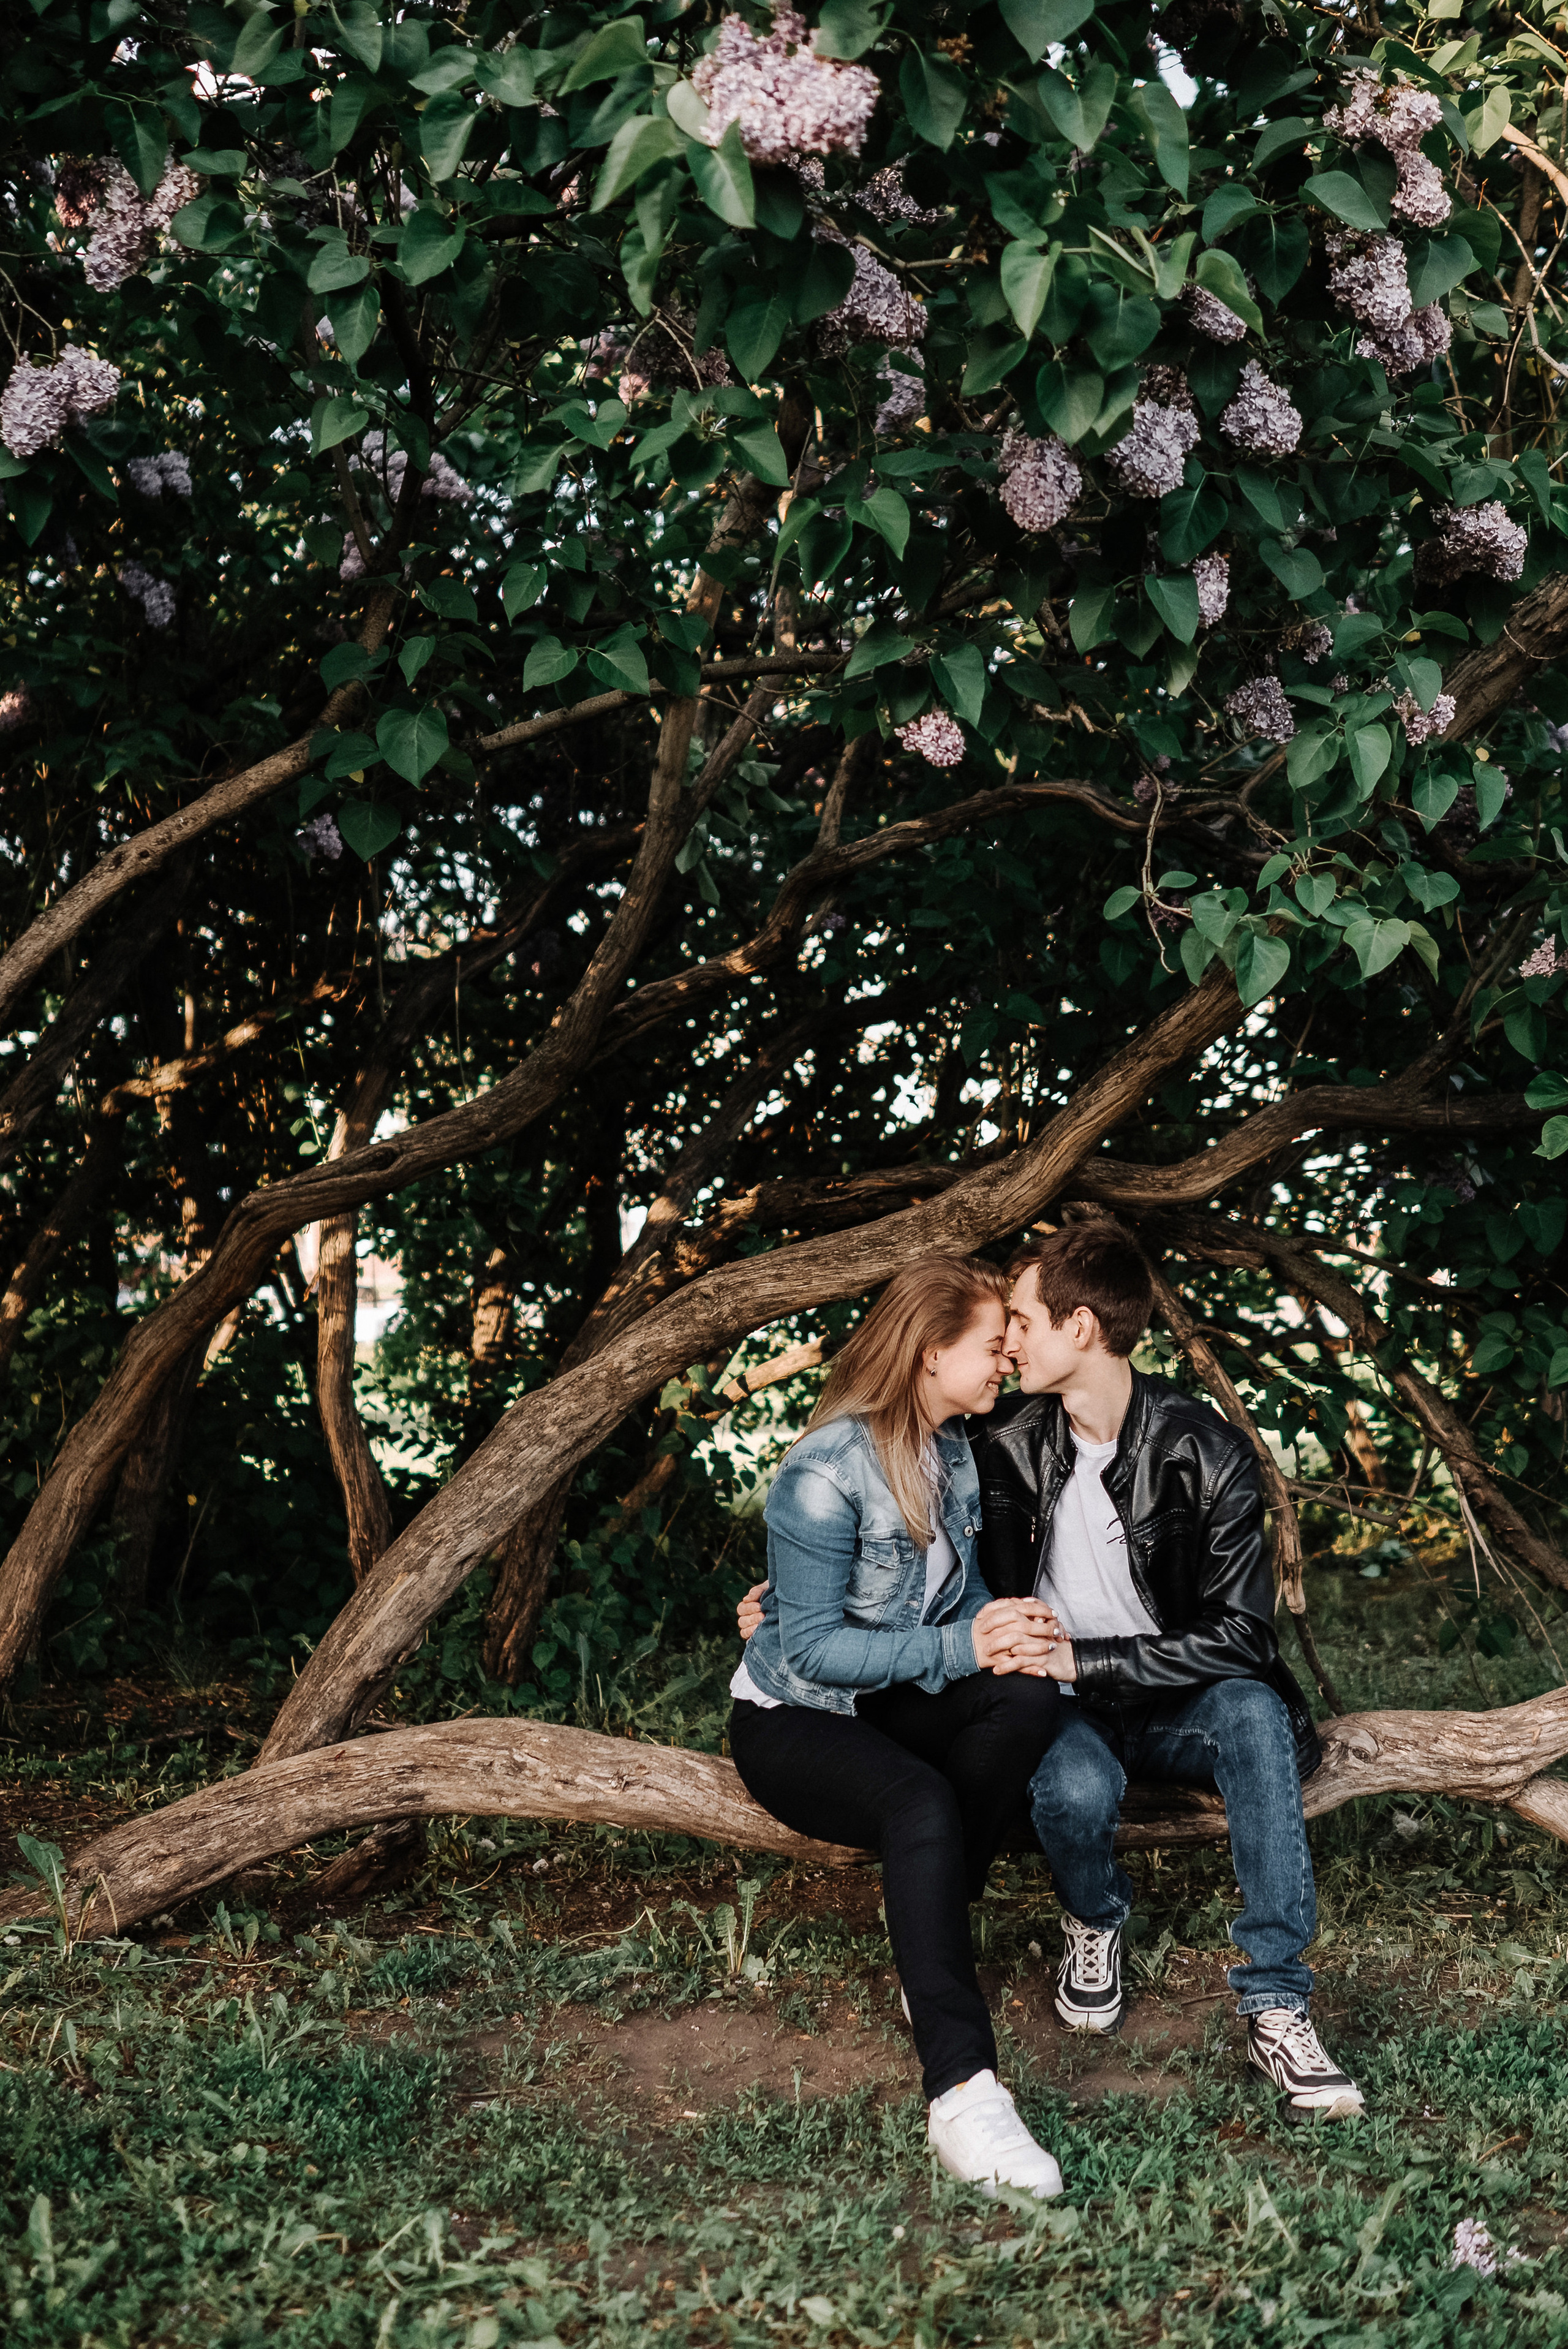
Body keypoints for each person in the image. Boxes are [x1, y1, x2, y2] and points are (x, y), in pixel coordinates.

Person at [974, 1223, 1363, 2122]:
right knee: (1071, 1789)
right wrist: (795, 1592)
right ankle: (1096, 1918)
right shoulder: (1004, 1439)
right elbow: (906, 1519)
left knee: (1255, 1712)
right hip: (1060, 1704)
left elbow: (1239, 1637)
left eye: (1025, 1319)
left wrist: (1090, 1655)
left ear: (1081, 1327)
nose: (1010, 1339)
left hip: (1178, 1701)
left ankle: (1277, 2000)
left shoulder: (1207, 1449)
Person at [726, 1255, 1067, 2198]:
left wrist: (1005, 1627)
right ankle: (963, 2092)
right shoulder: (826, 1467)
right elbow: (816, 1653)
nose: (1004, 1364)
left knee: (1028, 1696)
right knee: (920, 1802)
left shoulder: (949, 1445)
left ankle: (930, 1925)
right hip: (795, 1713)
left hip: (887, 1694)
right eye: (991, 1348)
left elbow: (948, 1599)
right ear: (927, 1352)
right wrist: (964, 1644)